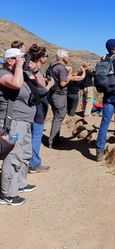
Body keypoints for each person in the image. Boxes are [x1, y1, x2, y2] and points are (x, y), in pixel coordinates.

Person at [0, 48, 45, 206]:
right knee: (13, 157)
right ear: (9, 60)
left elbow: (42, 85)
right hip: (14, 123)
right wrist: (18, 66)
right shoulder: (3, 74)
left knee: (24, 154)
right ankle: (7, 194)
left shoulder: (23, 73)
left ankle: (20, 183)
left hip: (26, 122)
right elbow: (16, 84)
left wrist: (36, 70)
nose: (24, 61)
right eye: (20, 59)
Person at [27, 44, 55, 174]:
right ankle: (34, 163)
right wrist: (49, 85)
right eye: (46, 56)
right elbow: (41, 90)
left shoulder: (28, 69)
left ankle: (29, 161)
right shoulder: (36, 70)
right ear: (41, 57)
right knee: (37, 134)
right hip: (38, 106)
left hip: (31, 105)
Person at [47, 49, 70, 148]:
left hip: (52, 94)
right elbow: (63, 83)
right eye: (68, 56)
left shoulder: (52, 66)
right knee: (58, 118)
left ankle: (55, 138)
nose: (69, 58)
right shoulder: (61, 68)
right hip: (59, 95)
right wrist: (70, 78)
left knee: (56, 116)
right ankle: (53, 141)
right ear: (64, 58)